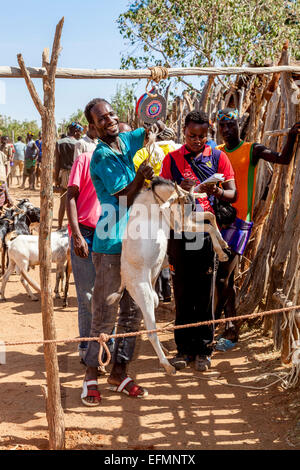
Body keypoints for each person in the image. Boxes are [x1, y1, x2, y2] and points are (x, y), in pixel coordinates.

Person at [81, 97, 156, 406]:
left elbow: (145, 132)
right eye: (102, 118)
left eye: (111, 114)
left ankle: (120, 372)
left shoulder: (125, 139)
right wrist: (142, 174)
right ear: (93, 127)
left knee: (133, 310)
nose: (109, 120)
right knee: (105, 312)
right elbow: (124, 197)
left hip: (135, 240)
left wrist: (153, 125)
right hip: (111, 243)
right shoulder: (99, 157)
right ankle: (90, 377)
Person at [214, 108, 300, 350]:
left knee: (224, 276)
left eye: (231, 125)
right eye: (223, 126)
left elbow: (283, 159)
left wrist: (292, 136)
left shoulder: (252, 149)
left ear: (239, 125)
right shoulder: (217, 153)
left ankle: (229, 329)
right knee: (223, 277)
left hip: (240, 222)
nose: (227, 130)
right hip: (218, 221)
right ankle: (226, 327)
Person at [160, 110, 236, 372]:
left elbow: (232, 193)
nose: (197, 140)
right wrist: (182, 187)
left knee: (205, 292)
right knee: (182, 291)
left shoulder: (218, 157)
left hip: (206, 234)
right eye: (192, 135)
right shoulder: (171, 160)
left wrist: (216, 190)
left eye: (202, 136)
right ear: (184, 132)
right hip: (179, 232)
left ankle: (204, 349)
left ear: (208, 134)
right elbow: (162, 195)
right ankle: (183, 349)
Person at [133, 126, 181, 302]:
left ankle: (156, 291)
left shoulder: (144, 152)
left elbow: (135, 168)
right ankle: (168, 291)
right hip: (173, 203)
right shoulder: (178, 150)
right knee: (170, 246)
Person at [55, 122, 83, 229]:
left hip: (63, 174)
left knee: (63, 202)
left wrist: (56, 178)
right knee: (75, 202)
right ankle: (72, 226)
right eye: (80, 132)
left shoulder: (59, 142)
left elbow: (57, 163)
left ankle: (59, 226)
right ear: (76, 131)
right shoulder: (78, 143)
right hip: (75, 174)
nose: (80, 134)